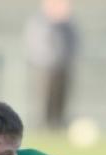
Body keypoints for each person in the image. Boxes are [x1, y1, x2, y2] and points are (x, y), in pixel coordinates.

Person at [24, 0, 79, 130]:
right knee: (45, 97)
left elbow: (74, 42)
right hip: (45, 66)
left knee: (61, 97)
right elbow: (38, 44)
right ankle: (43, 125)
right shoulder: (40, 22)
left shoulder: (68, 25)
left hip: (63, 65)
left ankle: (58, 124)